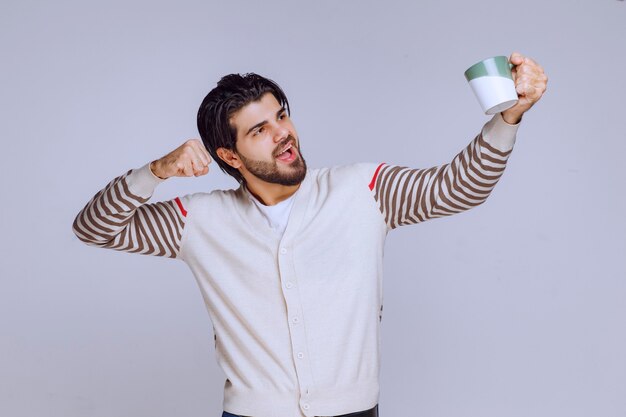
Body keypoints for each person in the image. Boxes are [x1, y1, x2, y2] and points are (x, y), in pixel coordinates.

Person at [72, 52, 547, 417]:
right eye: (259, 129)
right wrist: (154, 172)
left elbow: (457, 188)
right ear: (230, 156)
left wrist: (509, 116)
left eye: (281, 115)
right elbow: (93, 227)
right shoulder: (196, 220)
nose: (283, 133)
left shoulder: (365, 189)